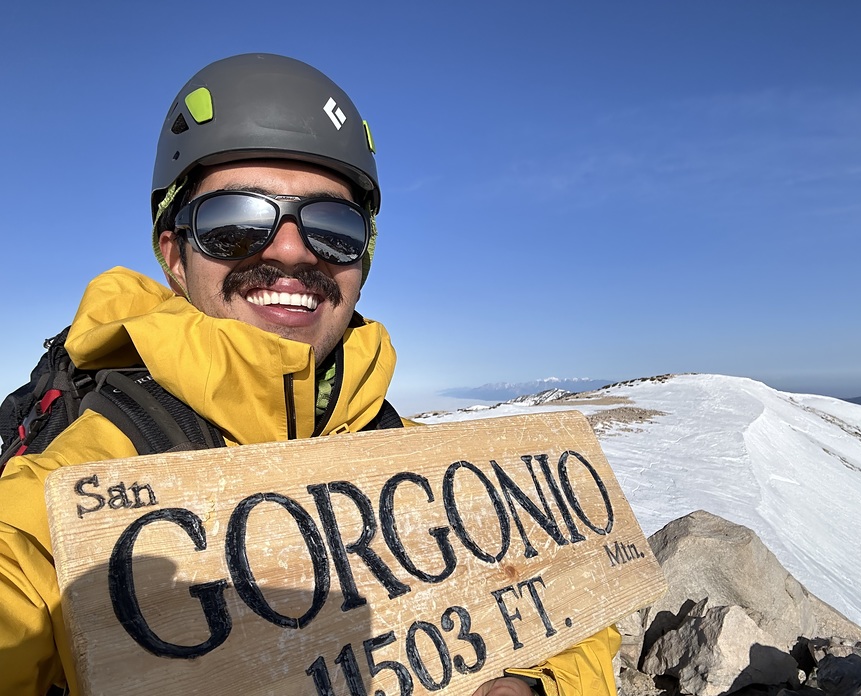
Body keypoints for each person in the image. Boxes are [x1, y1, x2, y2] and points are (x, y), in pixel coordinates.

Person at [0, 53, 620, 695]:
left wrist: (530, 682)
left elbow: (575, 597)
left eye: (331, 225)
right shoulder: (69, 486)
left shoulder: (398, 445)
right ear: (175, 257)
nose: (291, 250)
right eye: (234, 222)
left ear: (363, 259)